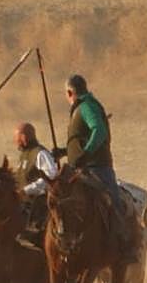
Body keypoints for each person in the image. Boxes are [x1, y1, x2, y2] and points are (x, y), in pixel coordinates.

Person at [54, 74, 138, 263]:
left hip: (97, 168)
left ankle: (125, 245)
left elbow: (98, 130)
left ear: (70, 92)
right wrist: (64, 151)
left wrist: (85, 153)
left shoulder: (86, 106)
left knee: (113, 203)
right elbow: (82, 138)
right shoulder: (82, 107)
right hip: (80, 169)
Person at [12, 122, 58, 241]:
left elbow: (51, 177)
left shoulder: (40, 153)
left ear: (23, 137)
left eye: (16, 138)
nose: (15, 141)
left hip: (37, 207)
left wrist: (26, 190)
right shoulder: (23, 155)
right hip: (21, 205)